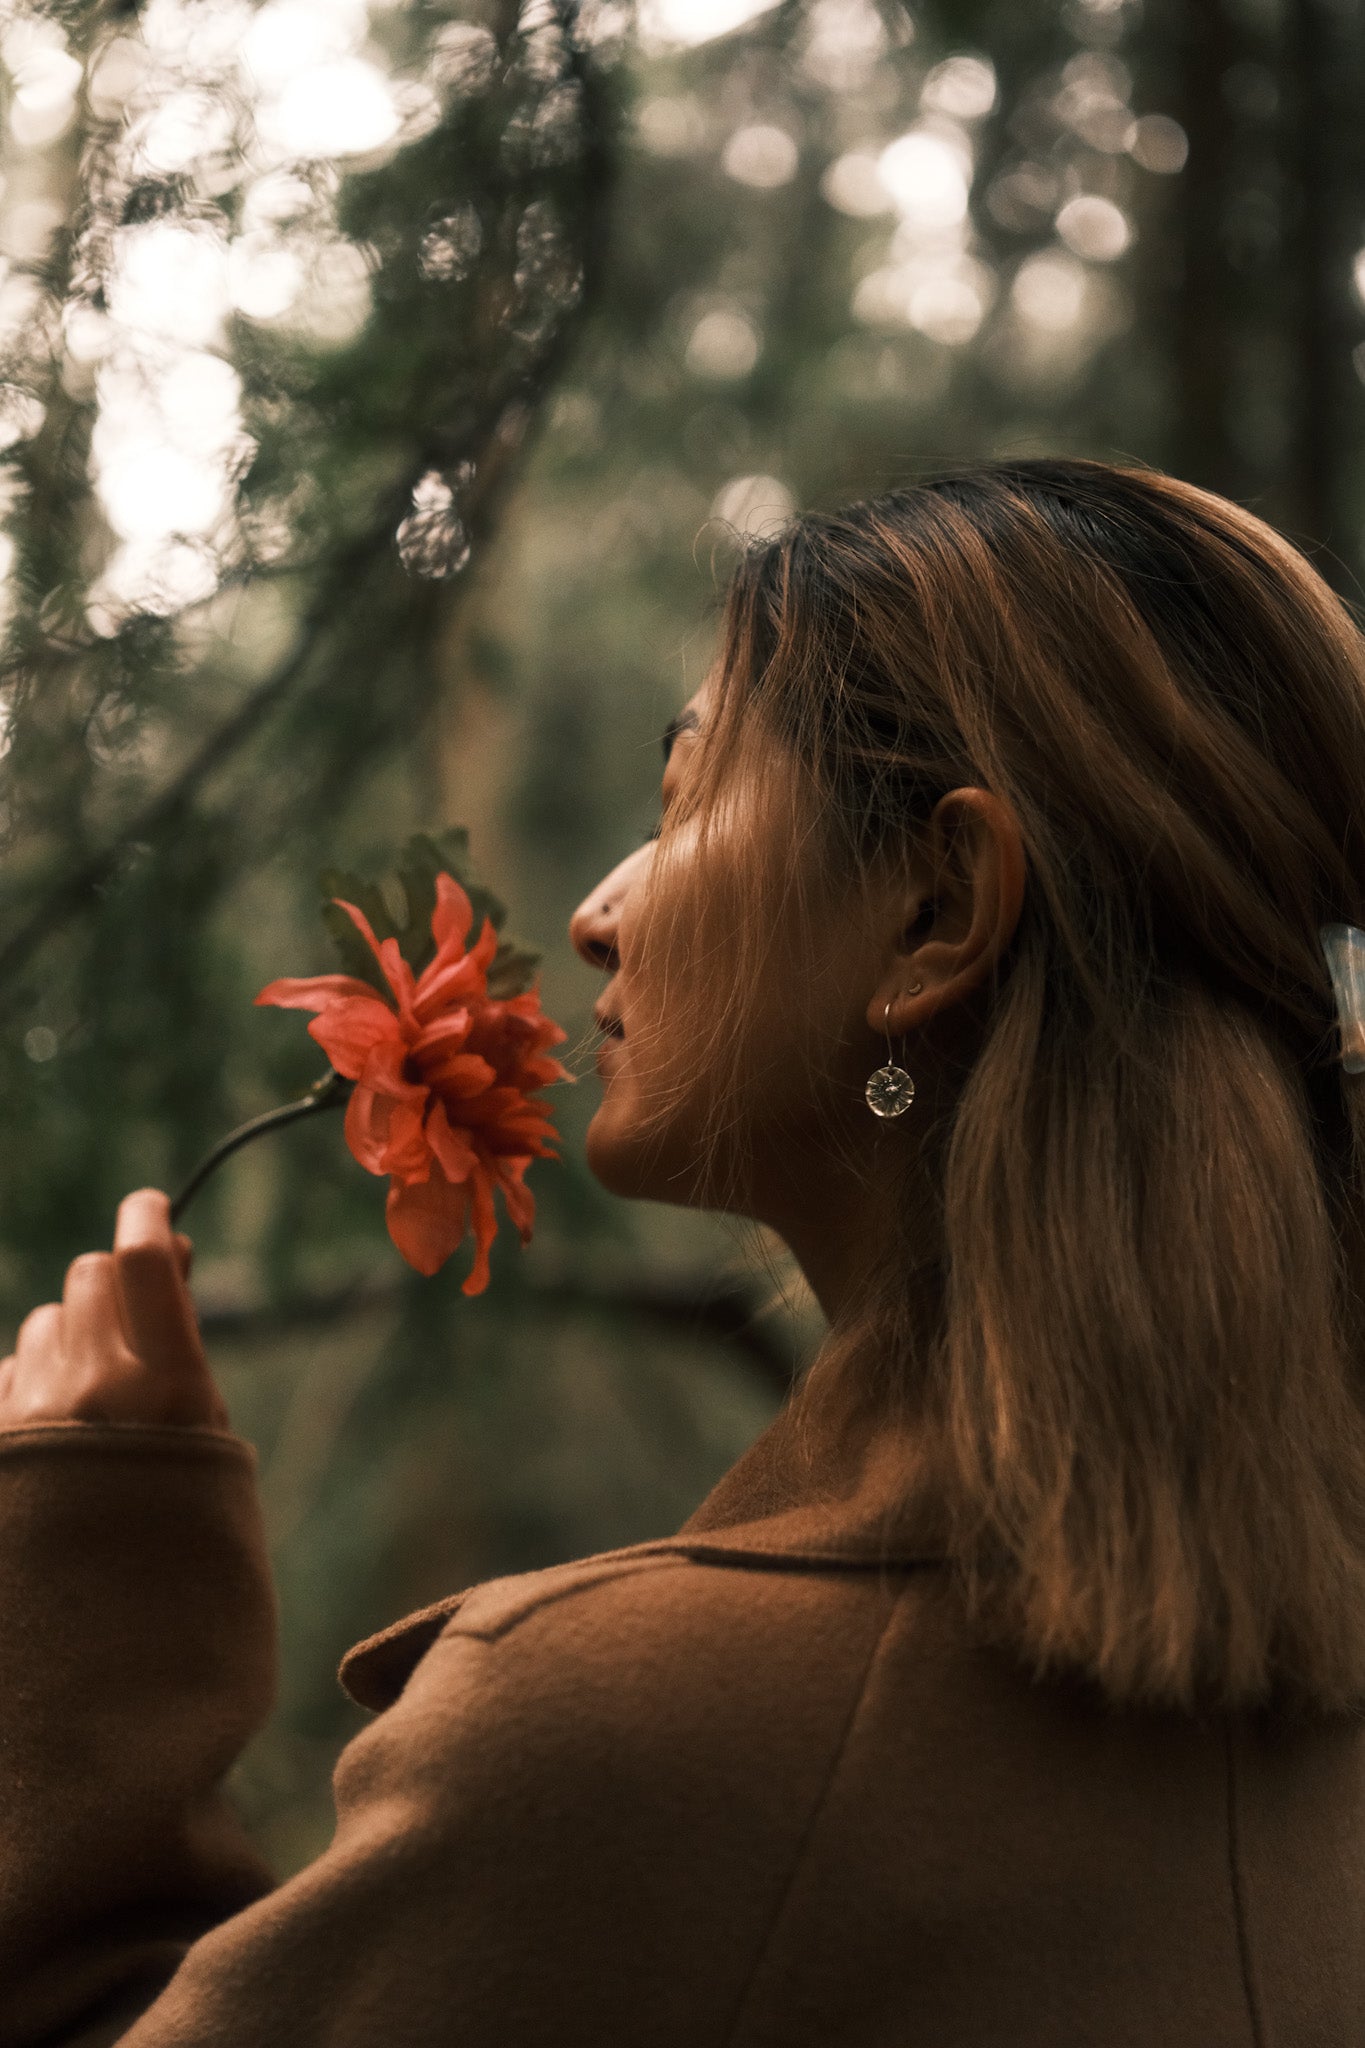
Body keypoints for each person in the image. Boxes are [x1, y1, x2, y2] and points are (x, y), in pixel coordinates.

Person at [1, 456, 1363, 2046]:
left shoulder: (617, 1736)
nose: (595, 912)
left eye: (691, 794)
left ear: (935, 910)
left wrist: (88, 1581)